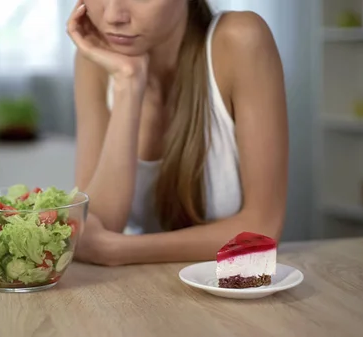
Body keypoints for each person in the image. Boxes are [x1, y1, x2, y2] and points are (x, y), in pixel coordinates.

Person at [67, 0, 288, 266]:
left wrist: (119, 250)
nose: (113, 16)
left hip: (227, 285)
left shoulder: (240, 39)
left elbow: (262, 227)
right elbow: (98, 222)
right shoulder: (95, 58)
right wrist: (128, 81)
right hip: (143, 291)